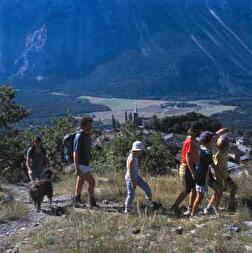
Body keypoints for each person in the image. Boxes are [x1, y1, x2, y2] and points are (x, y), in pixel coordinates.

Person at [170, 122, 203, 216]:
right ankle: (174, 207)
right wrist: (193, 172)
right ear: (196, 131)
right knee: (187, 189)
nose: (201, 133)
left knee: (193, 189)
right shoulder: (190, 141)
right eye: (200, 131)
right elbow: (188, 157)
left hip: (189, 167)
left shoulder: (191, 139)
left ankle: (190, 208)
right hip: (187, 168)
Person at [191, 131, 221, 218]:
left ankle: (208, 209)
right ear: (208, 141)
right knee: (199, 198)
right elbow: (212, 165)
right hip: (201, 177)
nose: (214, 140)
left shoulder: (203, 149)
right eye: (212, 139)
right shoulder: (206, 153)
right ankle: (192, 216)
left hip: (206, 175)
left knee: (218, 190)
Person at [73, 116, 97, 207]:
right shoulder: (79, 136)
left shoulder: (87, 135)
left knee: (80, 182)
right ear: (83, 125)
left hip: (85, 164)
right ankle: (92, 202)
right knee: (92, 182)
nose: (91, 126)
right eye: (89, 124)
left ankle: (77, 201)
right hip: (81, 164)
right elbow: (75, 152)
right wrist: (77, 167)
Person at [124, 141, 153, 213]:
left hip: (136, 176)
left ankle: (149, 203)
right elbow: (130, 173)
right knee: (131, 195)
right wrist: (133, 182)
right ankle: (127, 209)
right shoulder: (132, 159)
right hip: (130, 178)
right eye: (139, 150)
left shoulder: (135, 156)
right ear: (136, 150)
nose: (140, 152)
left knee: (147, 188)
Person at [212, 136, 237, 211]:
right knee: (220, 192)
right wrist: (224, 182)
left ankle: (229, 206)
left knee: (232, 188)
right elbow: (218, 169)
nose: (229, 145)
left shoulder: (222, 153)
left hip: (224, 175)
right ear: (225, 145)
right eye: (228, 144)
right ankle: (214, 207)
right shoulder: (221, 155)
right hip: (221, 176)